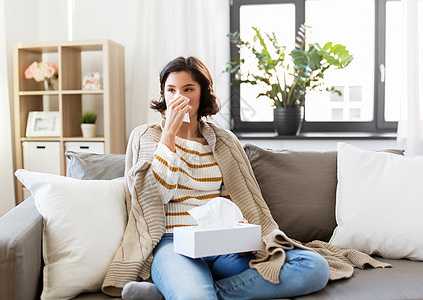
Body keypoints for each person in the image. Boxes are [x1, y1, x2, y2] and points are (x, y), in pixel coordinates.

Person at [106, 56, 330, 300]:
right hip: (174, 244)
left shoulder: (224, 141)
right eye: (171, 90)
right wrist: (168, 135)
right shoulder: (146, 137)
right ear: (163, 95)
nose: (178, 97)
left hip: (220, 243)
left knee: (314, 267)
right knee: (195, 296)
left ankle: (173, 294)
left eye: (188, 89)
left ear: (202, 94)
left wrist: (243, 235)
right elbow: (157, 196)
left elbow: (233, 202)